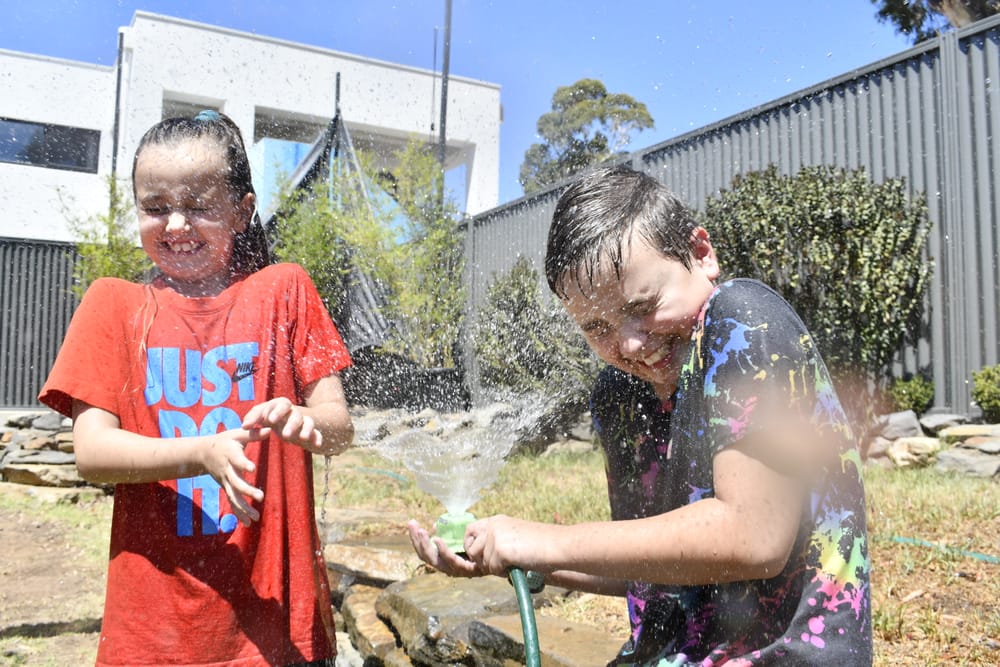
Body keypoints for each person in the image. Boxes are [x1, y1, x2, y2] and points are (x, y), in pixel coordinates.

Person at [408, 165, 871, 665]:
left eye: (644, 304)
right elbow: (653, 566)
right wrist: (515, 557)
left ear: (701, 253)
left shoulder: (744, 320)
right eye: (597, 327)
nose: (629, 342)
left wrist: (545, 539)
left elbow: (754, 535)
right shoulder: (621, 394)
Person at [39, 110, 354, 667]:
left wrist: (309, 425)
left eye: (200, 207)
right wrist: (201, 452)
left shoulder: (285, 289)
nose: (176, 225)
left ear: (242, 211)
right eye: (155, 208)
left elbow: (338, 429)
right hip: (152, 631)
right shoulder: (114, 305)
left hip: (273, 624)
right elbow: (92, 453)